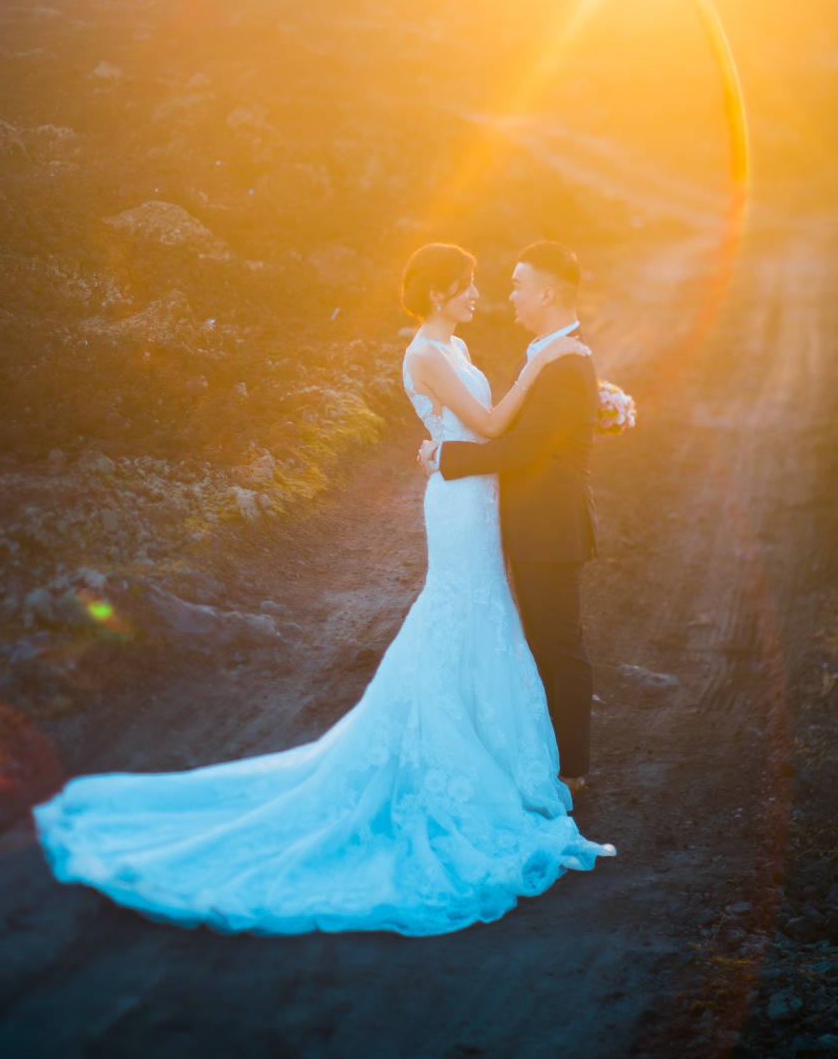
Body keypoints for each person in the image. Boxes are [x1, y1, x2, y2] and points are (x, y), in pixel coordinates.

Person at [33, 241, 614, 936]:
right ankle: (461, 754)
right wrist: (541, 368)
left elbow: (520, 429)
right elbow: (493, 425)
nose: (481, 296)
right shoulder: (430, 353)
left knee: (488, 618)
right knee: (459, 612)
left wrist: (585, 398)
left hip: (479, 495)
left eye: (496, 285)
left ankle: (500, 750)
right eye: (466, 286)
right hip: (461, 500)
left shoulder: (456, 348)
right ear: (437, 295)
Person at [418, 240, 598, 799]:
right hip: (529, 523)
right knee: (538, 640)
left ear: (547, 292)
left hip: (549, 529)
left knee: (558, 646)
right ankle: (539, 754)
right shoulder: (552, 352)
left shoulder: (564, 360)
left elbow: (523, 449)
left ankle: (571, 771)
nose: (509, 293)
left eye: (519, 284)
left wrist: (447, 457)